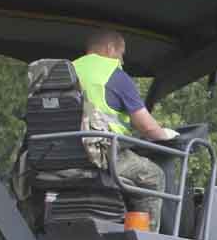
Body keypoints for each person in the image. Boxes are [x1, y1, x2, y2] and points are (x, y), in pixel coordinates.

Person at [73, 28, 178, 225]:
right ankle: (146, 239)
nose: (121, 61)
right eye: (121, 54)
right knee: (153, 177)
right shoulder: (114, 74)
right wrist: (165, 133)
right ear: (110, 48)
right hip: (101, 155)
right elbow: (148, 128)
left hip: (58, 153)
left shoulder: (66, 70)